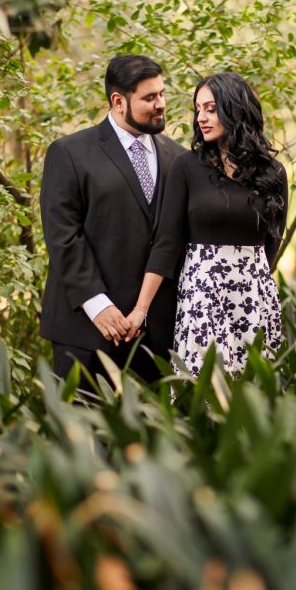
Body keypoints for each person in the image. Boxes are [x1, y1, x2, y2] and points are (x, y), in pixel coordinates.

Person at [125, 72, 288, 376]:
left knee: (252, 391)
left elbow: (273, 241)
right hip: (202, 296)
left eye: (211, 109)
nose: (201, 117)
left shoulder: (273, 172)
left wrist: (252, 284)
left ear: (234, 109)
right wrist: (140, 309)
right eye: (198, 109)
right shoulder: (186, 167)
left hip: (254, 299)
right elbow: (167, 243)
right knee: (204, 387)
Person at [40, 55, 186, 381]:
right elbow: (63, 235)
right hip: (85, 332)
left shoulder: (179, 158)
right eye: (150, 97)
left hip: (158, 336)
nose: (161, 104)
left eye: (162, 94)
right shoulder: (69, 153)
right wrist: (98, 305)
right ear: (118, 101)